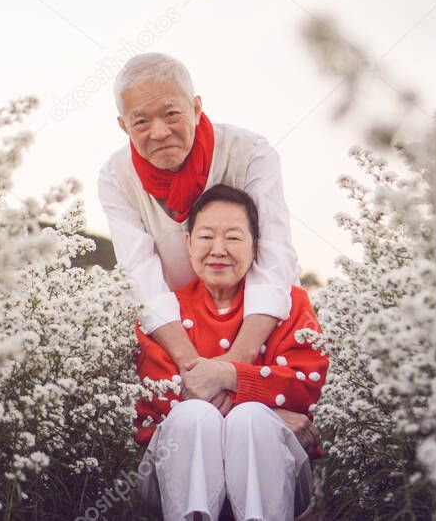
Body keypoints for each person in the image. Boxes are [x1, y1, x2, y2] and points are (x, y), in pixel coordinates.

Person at [98, 53, 303, 417]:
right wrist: (196, 371)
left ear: (196, 107)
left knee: (260, 437)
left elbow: (274, 259)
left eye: (172, 113)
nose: (158, 132)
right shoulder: (116, 177)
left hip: (260, 335)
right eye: (140, 121)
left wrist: (231, 370)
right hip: (176, 348)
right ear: (122, 125)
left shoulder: (250, 153)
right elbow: (140, 276)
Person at [134, 185, 328, 520]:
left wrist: (228, 376)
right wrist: (271, 410)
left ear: (256, 247)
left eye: (234, 238)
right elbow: (162, 402)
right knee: (196, 417)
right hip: (171, 477)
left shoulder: (291, 303)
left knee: (251, 421)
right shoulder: (165, 314)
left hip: (279, 479)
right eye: (206, 236)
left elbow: (306, 386)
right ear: (188, 243)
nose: (218, 250)